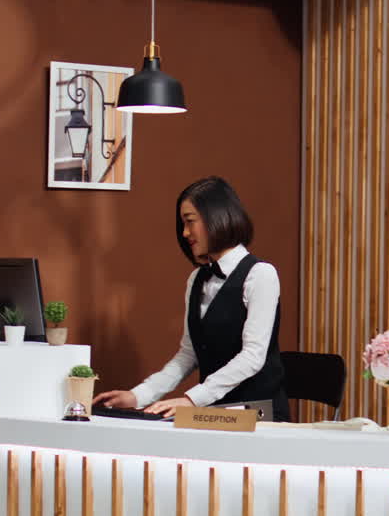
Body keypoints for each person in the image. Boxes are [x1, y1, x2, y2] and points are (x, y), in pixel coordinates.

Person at [93, 176, 289, 421]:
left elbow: (253, 357)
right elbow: (189, 354)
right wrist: (138, 396)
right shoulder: (196, 278)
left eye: (190, 222)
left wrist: (191, 400)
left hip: (258, 414)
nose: (185, 233)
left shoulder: (261, 275)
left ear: (216, 216)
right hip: (212, 411)